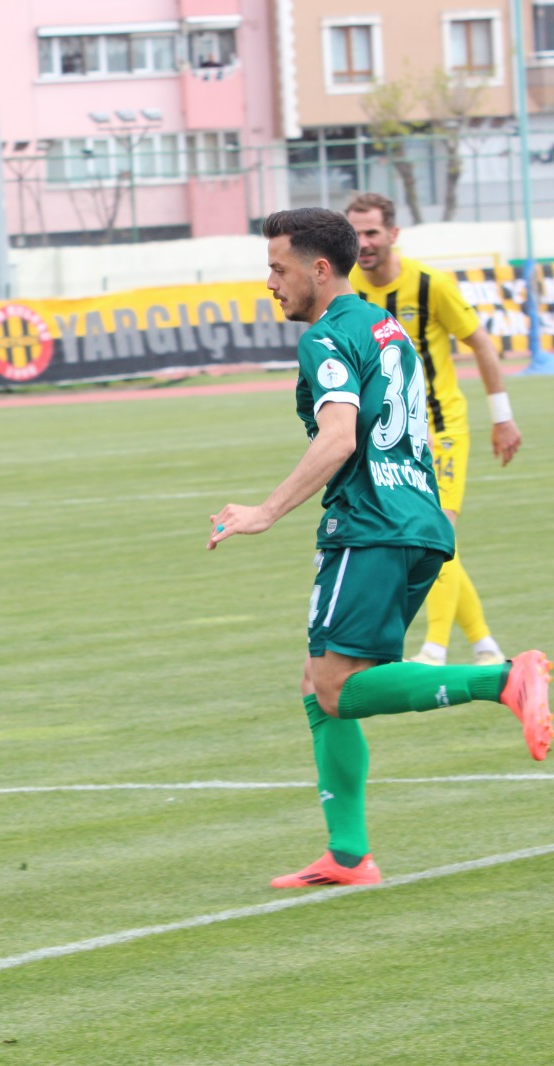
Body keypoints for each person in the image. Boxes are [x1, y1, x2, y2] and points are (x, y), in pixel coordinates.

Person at [207, 208, 550, 889]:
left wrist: (265, 511)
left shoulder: (326, 336)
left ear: (319, 269)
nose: (270, 282)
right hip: (419, 518)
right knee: (320, 682)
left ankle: (504, 679)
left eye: (278, 269)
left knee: (336, 689)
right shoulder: (383, 326)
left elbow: (339, 436)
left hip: (369, 525)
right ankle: (347, 855)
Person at [345, 192, 523, 667]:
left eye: (372, 232)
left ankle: (434, 649)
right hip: (389, 440)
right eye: (355, 234)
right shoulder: (348, 291)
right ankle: (485, 646)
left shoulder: (430, 285)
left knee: (434, 532)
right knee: (427, 536)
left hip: (441, 431)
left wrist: (502, 416)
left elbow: (480, 343)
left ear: (393, 233)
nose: (364, 243)